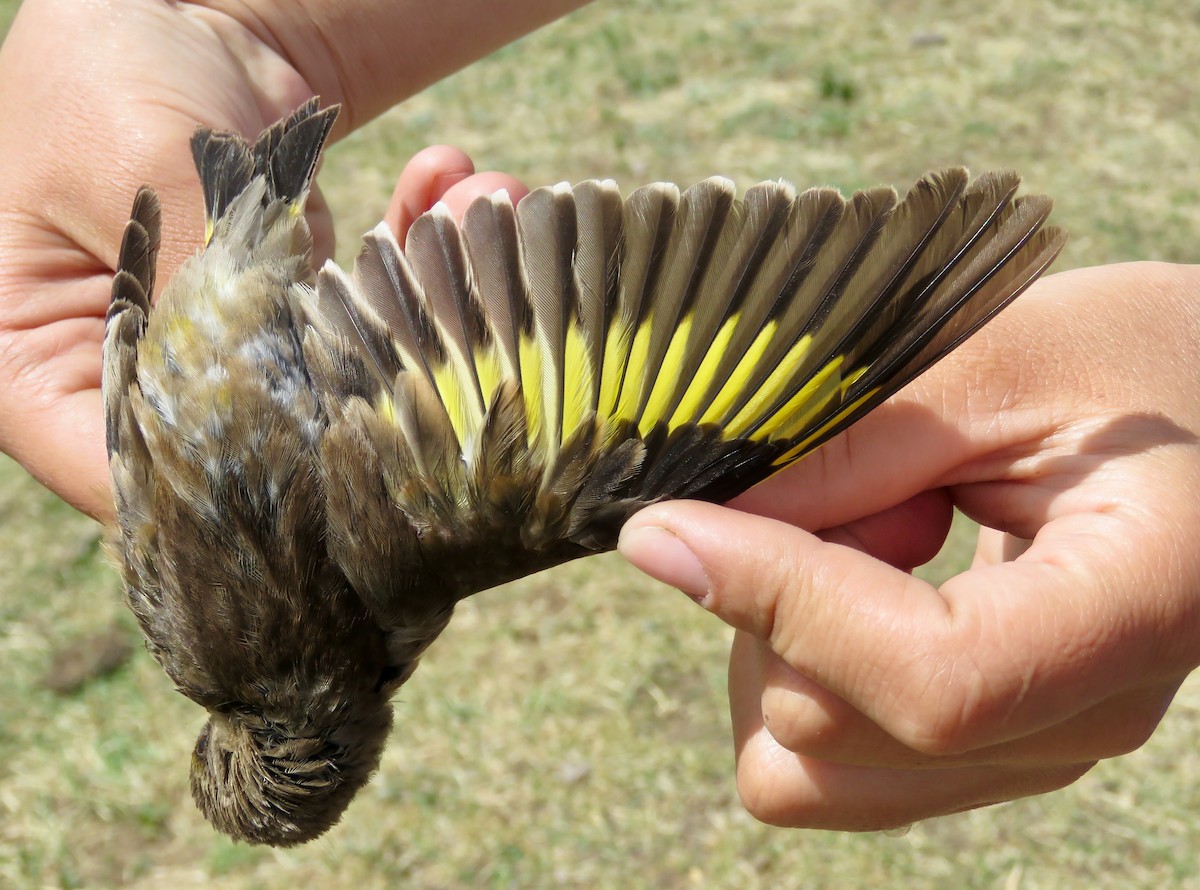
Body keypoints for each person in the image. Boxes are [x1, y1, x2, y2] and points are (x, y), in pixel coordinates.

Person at [2, 0, 1197, 833]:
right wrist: (220, 31)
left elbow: (617, 392)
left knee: (612, 466)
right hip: (196, 297)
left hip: (260, 309)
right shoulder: (178, 614)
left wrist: (225, 27)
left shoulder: (403, 578)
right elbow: (140, 438)